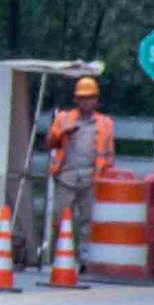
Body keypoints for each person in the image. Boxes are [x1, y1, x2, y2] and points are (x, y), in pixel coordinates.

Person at [39, 74, 113, 265]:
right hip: (66, 177)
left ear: (96, 99)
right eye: (82, 98)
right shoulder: (64, 118)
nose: (86, 102)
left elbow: (109, 154)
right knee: (60, 219)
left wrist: (106, 178)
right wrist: (63, 132)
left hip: (91, 178)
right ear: (76, 99)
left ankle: (84, 261)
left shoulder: (104, 123)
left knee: (88, 222)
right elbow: (49, 143)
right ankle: (59, 259)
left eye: (89, 98)